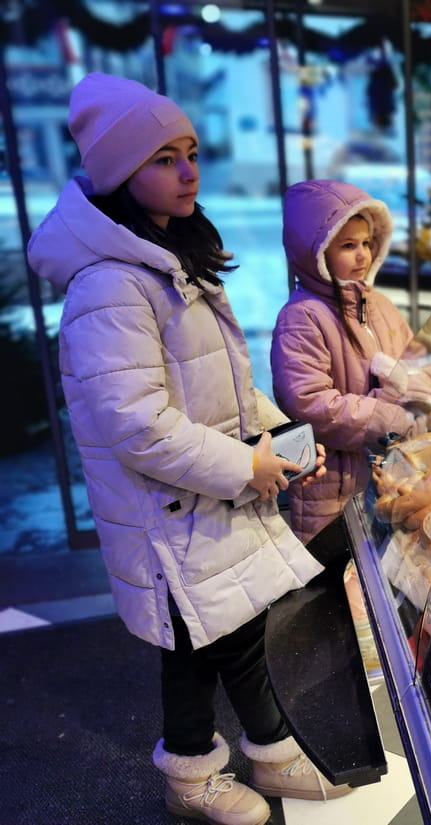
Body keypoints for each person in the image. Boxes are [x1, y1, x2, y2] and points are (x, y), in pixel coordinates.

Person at [26, 73, 352, 825]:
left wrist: (277, 437)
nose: (187, 171)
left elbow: (225, 385)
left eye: (190, 152)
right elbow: (136, 424)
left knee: (224, 636)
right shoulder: (112, 284)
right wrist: (247, 465)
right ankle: (201, 773)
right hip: (168, 514)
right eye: (162, 159)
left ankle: (256, 757)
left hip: (203, 502)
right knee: (202, 645)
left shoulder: (173, 258)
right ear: (118, 175)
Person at [271, 179, 431, 563]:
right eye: (348, 245)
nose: (362, 254)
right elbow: (310, 401)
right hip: (330, 490)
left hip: (389, 478)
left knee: (381, 580)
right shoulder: (301, 318)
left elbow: (419, 363)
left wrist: (416, 397)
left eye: (366, 243)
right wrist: (391, 412)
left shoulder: (380, 305)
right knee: (334, 584)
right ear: (313, 251)